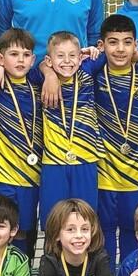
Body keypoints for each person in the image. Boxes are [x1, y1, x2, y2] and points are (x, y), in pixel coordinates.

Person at [94, 14, 138, 268]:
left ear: (136, 45)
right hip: (104, 171)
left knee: (135, 232)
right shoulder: (93, 76)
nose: (120, 49)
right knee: (105, 232)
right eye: (113, 42)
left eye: (126, 42)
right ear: (101, 46)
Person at [0, 29, 43, 259]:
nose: (20, 60)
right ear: (0, 57)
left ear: (34, 59)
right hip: (1, 175)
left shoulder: (37, 81)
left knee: (24, 231)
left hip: (31, 176)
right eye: (13, 54)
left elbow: (52, 67)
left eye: (26, 54)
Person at [37, 32, 103, 225]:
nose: (67, 61)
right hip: (53, 162)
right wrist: (48, 73)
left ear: (80, 57)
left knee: (86, 221)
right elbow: (29, 66)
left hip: (86, 160)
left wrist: (93, 50)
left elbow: (113, 52)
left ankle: (86, 256)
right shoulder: (40, 78)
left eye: (72, 55)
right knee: (53, 222)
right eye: (60, 56)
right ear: (49, 60)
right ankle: (51, 256)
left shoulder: (88, 70)